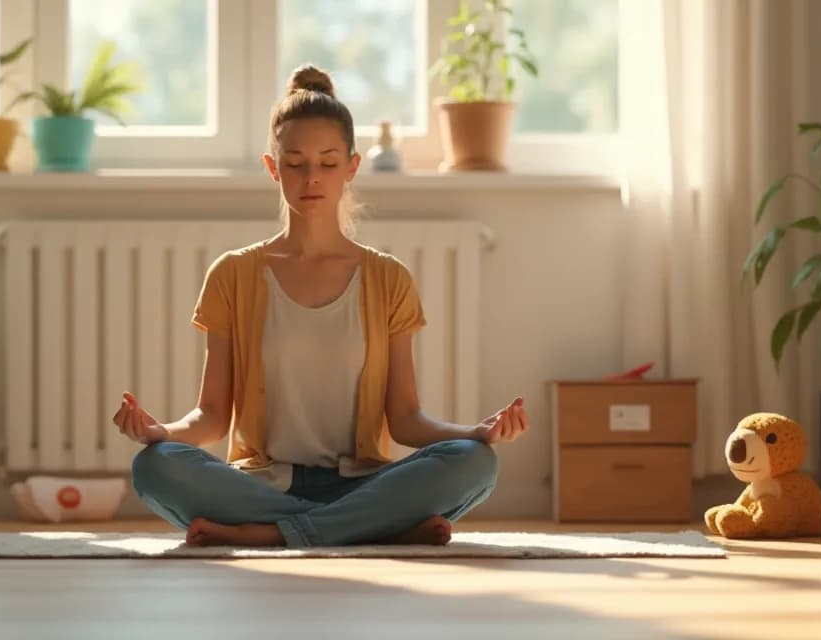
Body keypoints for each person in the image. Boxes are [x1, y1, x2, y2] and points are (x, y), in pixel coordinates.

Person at [111, 65, 530, 548]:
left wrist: (475, 433)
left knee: (474, 462)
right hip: (262, 483)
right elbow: (210, 415)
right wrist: (158, 430)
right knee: (155, 466)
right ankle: (376, 527)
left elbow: (407, 418)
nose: (312, 178)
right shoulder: (232, 275)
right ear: (273, 167)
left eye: (328, 164)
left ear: (351, 167)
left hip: (363, 481)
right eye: (295, 163)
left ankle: (272, 534)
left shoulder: (387, 279)